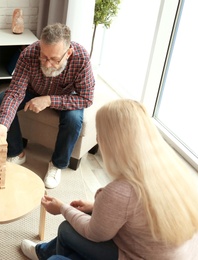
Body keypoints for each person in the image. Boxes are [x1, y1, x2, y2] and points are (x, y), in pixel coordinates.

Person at [20, 99, 198, 260]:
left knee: (64, 238)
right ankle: (45, 252)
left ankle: (48, 255)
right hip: (167, 253)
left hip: (137, 255)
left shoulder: (122, 191)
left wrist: (62, 208)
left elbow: (94, 234)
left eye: (100, 133)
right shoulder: (174, 171)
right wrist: (97, 207)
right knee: (70, 229)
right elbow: (141, 213)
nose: (97, 138)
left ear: (116, 142)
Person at [0, 23, 95, 189]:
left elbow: (87, 98)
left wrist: (49, 100)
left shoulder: (81, 57)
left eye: (54, 59)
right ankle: (17, 152)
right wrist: (3, 125)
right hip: (33, 91)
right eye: (44, 56)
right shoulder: (28, 54)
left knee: (74, 119)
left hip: (67, 97)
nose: (47, 64)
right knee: (1, 100)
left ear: (68, 53)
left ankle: (57, 164)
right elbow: (15, 92)